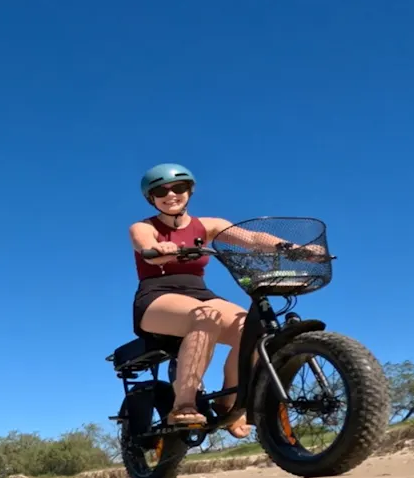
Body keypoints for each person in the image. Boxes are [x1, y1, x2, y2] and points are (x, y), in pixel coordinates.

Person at [128, 162, 309, 437]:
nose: (171, 194)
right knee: (205, 316)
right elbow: (145, 246)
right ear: (151, 198)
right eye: (161, 190)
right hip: (157, 295)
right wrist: (159, 248)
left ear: (189, 191)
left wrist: (295, 249)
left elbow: (251, 238)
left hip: (200, 293)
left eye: (178, 187)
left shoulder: (208, 225)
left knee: (251, 328)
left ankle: (230, 404)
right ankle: (183, 405)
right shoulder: (143, 226)